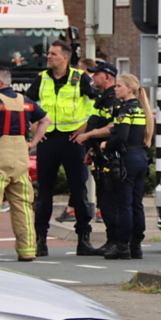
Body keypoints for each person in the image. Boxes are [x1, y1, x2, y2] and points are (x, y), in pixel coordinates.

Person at [0, 66, 49, 263]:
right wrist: (33, 143)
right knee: (23, 205)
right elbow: (45, 120)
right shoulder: (25, 101)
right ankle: (27, 250)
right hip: (21, 155)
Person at [28, 40, 98, 256]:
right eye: (48, 53)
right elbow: (26, 104)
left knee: (79, 190)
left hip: (73, 140)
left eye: (53, 54)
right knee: (44, 191)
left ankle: (83, 239)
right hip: (48, 140)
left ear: (65, 58)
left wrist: (86, 127)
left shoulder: (80, 78)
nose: (48, 57)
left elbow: (97, 103)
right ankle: (40, 240)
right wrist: (34, 126)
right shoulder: (42, 78)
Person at [100, 73, 154, 260]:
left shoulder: (125, 110)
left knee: (124, 204)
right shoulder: (141, 109)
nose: (115, 89)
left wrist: (106, 144)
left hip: (127, 159)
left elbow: (121, 136)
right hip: (140, 157)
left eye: (119, 86)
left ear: (129, 89)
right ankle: (136, 246)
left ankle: (122, 246)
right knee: (137, 204)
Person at [74, 61, 122, 255]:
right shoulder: (102, 98)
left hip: (110, 157)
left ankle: (116, 241)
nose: (93, 77)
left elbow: (112, 128)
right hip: (99, 156)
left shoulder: (112, 100)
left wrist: (88, 136)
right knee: (104, 199)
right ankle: (111, 240)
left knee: (110, 200)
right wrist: (91, 150)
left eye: (96, 74)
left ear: (107, 77)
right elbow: (95, 122)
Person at [56, 57, 98, 224]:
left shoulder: (87, 86)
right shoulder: (85, 86)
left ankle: (77, 209)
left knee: (84, 174)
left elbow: (94, 109)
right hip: (83, 132)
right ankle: (74, 208)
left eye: (80, 69)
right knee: (83, 175)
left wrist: (85, 126)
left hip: (86, 132)